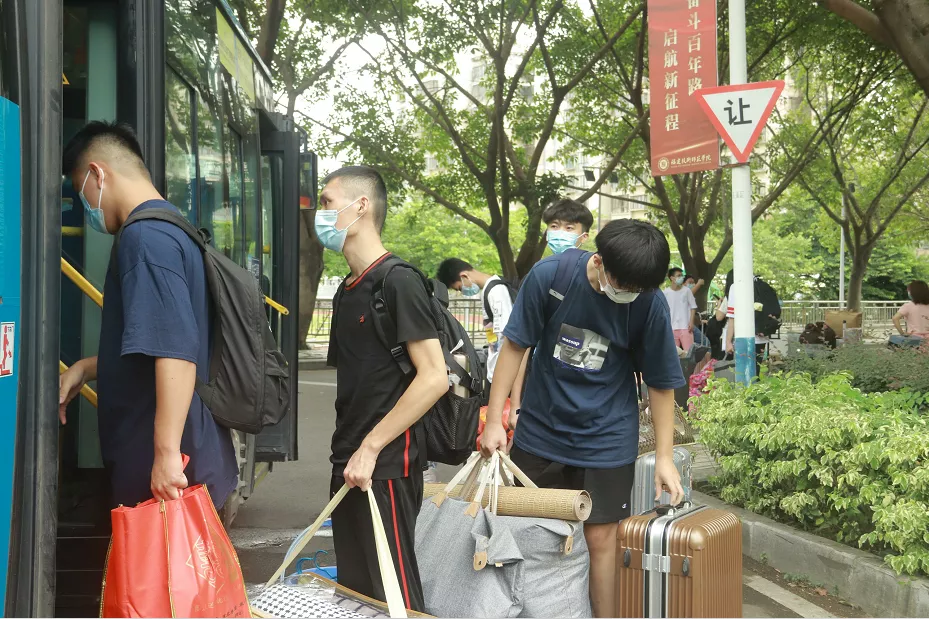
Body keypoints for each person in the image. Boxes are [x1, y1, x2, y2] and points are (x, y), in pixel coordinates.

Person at [480, 219, 686, 618]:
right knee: (527, 533)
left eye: (637, 289)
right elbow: (515, 347)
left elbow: (661, 384)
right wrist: (493, 422)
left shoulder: (649, 302)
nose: (627, 294)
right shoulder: (551, 277)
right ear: (599, 260)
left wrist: (665, 457)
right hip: (540, 433)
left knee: (601, 542)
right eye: (622, 285)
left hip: (606, 440)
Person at [57, 121, 238, 509]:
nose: (84, 205)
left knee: (159, 554)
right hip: (191, 455)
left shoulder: (145, 239)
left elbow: (176, 351)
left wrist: (166, 455)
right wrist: (86, 368)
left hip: (169, 475)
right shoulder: (172, 227)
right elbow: (160, 343)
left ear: (97, 174)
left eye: (79, 191)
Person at [321, 166, 447, 613]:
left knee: (394, 595)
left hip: (386, 463)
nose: (320, 214)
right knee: (358, 595)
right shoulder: (346, 290)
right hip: (349, 458)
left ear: (361, 207)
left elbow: (434, 376)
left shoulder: (399, 280)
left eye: (327, 202)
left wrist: (372, 447)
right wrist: (353, 452)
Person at [435, 258, 528, 411]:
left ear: (464, 276)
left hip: (504, 373)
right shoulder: (491, 289)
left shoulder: (496, 291)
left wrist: (501, 374)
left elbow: (508, 337)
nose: (462, 292)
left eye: (459, 288)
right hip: (498, 369)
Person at [663, 267, 698, 352]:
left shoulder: (687, 291)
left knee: (689, 353)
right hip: (671, 328)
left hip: (686, 327)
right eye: (679, 275)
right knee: (673, 354)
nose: (681, 277)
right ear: (672, 278)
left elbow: (693, 307)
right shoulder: (665, 292)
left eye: (682, 275)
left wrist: (691, 322)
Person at [891, 280, 929, 346]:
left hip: (914, 339)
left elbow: (895, 318)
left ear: (913, 293)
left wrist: (902, 333)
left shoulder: (908, 306)